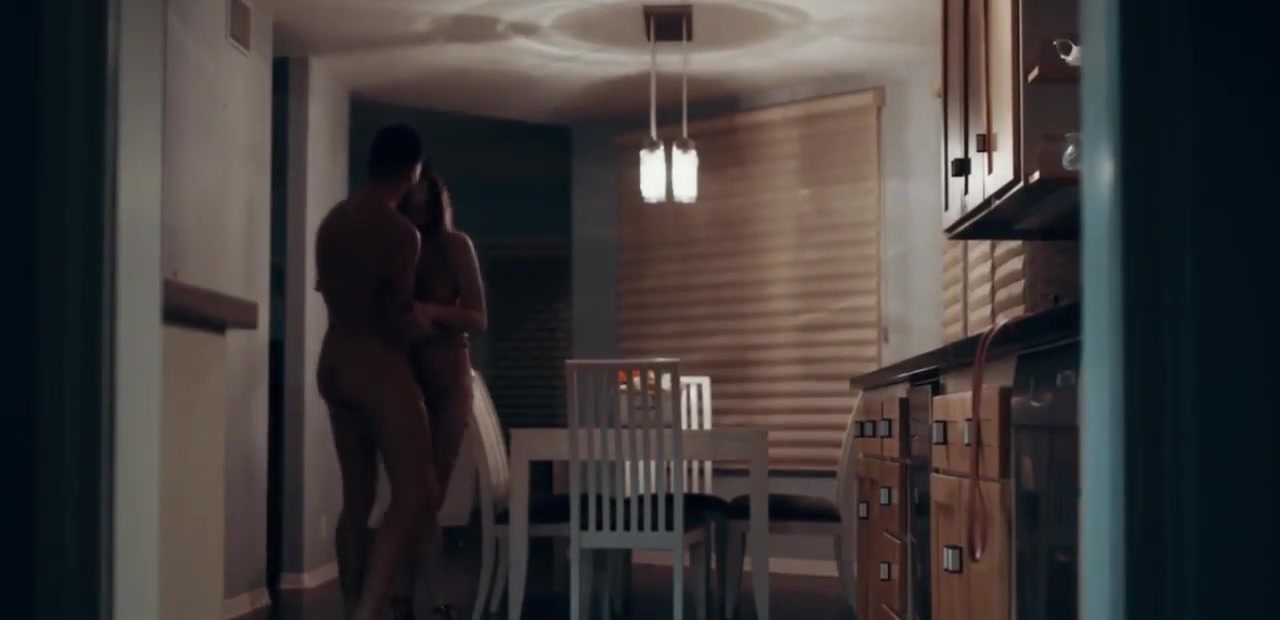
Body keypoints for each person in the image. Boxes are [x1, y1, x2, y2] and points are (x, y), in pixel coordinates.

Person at [314, 122, 441, 620]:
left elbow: (331, 289)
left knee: (357, 497)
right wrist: (425, 325)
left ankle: (352, 606)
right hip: (376, 364)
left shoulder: (333, 221)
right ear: (412, 172)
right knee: (413, 492)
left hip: (334, 361)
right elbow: (394, 318)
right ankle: (368, 612)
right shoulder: (401, 234)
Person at [387, 169, 487, 619]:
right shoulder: (393, 247)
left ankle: (414, 593)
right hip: (403, 376)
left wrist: (433, 311)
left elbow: (478, 318)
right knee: (412, 490)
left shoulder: (456, 246)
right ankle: (421, 595)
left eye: (425, 197)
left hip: (448, 381)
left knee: (430, 492)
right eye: (411, 197)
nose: (418, 205)